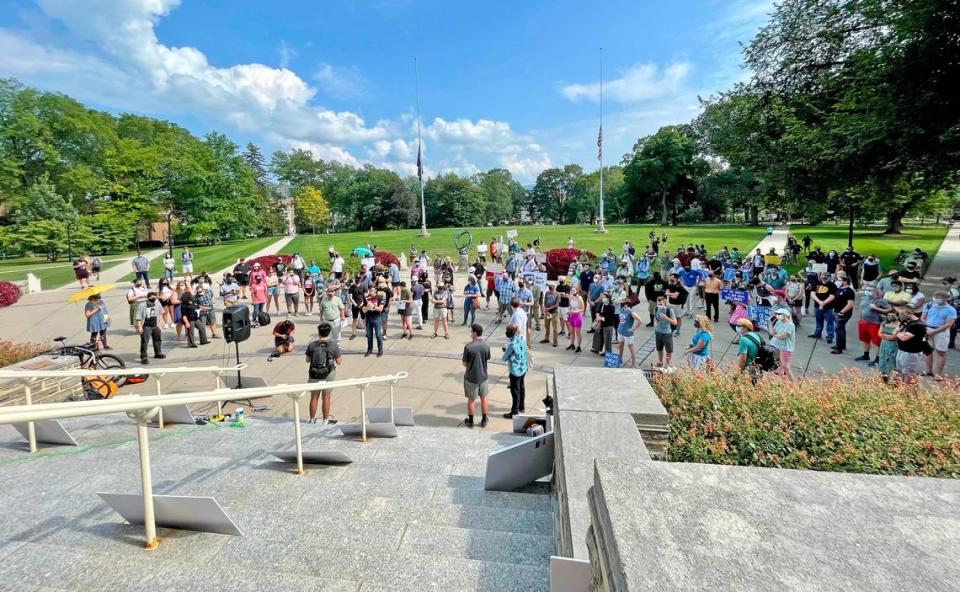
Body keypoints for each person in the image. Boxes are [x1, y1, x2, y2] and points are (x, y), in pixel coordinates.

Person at [305, 323, 343, 425]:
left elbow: (307, 360)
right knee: (326, 397)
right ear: (329, 332)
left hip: (314, 373)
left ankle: (312, 419)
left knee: (314, 397)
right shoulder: (333, 345)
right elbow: (339, 362)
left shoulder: (312, 345)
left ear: (319, 332)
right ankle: (325, 420)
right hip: (328, 373)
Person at [462, 323, 491, 428]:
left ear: (475, 333)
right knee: (484, 398)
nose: (470, 333)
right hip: (483, 377)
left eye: (471, 332)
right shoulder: (486, 345)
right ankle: (484, 419)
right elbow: (487, 358)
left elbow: (465, 363)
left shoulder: (468, 347)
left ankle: (471, 421)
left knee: (471, 400)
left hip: (471, 378)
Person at [921, 292, 957, 379]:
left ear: (946, 299)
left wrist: (934, 331)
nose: (936, 299)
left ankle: (938, 374)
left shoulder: (951, 309)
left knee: (941, 352)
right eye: (935, 297)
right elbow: (923, 318)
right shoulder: (929, 305)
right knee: (927, 351)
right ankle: (928, 371)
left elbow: (949, 324)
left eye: (939, 297)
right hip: (927, 330)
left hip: (941, 332)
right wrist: (926, 328)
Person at [856, 284, 888, 364]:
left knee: (876, 342)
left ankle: (877, 359)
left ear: (875, 291)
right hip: (863, 322)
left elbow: (890, 310)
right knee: (865, 340)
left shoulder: (881, 300)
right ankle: (866, 355)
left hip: (874, 323)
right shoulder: (864, 298)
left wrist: (876, 308)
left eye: (870, 290)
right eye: (867, 290)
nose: (867, 291)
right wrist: (860, 319)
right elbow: (861, 308)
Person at [501, 324, 528, 419]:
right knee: (521, 387)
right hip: (523, 367)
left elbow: (504, 358)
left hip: (515, 370)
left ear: (511, 332)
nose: (506, 333)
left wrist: (505, 350)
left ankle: (514, 411)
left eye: (507, 331)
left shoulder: (511, 344)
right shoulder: (521, 337)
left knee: (515, 391)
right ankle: (522, 406)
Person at [894, 312, 927, 377]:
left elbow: (903, 338)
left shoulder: (918, 325)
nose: (900, 315)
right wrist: (897, 332)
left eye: (902, 313)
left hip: (911, 352)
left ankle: (906, 386)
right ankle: (901, 386)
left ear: (910, 313)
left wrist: (896, 333)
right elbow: (896, 330)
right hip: (902, 350)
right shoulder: (906, 321)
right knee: (900, 371)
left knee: (908, 373)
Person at [135, 291, 165, 364]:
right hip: (146, 325)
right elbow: (138, 317)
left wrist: (160, 323)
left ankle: (158, 353)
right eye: (151, 298)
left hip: (155, 324)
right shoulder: (142, 305)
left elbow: (160, 314)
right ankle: (144, 357)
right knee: (145, 342)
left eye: (155, 297)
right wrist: (139, 327)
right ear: (148, 298)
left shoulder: (157, 303)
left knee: (158, 339)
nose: (153, 299)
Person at [831, 274, 855, 354]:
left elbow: (850, 304)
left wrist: (842, 312)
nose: (839, 282)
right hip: (836, 311)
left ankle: (839, 347)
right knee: (841, 329)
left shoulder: (849, 291)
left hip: (843, 313)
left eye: (841, 280)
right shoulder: (839, 289)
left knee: (838, 329)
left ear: (845, 281)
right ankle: (842, 344)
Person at [809, 271, 836, 344]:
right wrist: (820, 302)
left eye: (827, 276)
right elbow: (812, 294)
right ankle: (817, 334)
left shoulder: (832, 285)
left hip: (828, 307)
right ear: (821, 276)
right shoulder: (817, 283)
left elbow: (832, 296)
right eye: (824, 276)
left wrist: (823, 303)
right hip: (817, 306)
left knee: (829, 322)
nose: (825, 277)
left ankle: (830, 336)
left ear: (830, 277)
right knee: (818, 321)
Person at [769, 308, 796, 380]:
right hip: (777, 346)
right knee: (779, 364)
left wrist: (775, 336)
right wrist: (771, 323)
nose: (777, 315)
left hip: (785, 348)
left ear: (784, 315)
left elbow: (783, 336)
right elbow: (772, 333)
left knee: (785, 366)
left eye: (779, 314)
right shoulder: (778, 322)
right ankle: (782, 379)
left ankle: (793, 382)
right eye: (776, 314)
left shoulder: (790, 325)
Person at [653, 296, 677, 368]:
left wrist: (666, 318)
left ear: (664, 303)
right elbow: (655, 318)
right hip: (658, 332)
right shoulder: (656, 308)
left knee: (668, 351)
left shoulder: (669, 310)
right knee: (659, 349)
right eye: (658, 303)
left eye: (661, 303)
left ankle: (667, 364)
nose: (659, 305)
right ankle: (660, 362)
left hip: (667, 333)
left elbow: (675, 322)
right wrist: (655, 322)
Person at [617, 300, 642, 368]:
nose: (621, 305)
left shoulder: (630, 312)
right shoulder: (621, 310)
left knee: (631, 348)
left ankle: (634, 364)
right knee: (620, 345)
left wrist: (633, 329)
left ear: (626, 305)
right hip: (621, 331)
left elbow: (640, 321)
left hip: (628, 333)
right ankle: (620, 359)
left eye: (622, 304)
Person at [362, 284, 385, 356]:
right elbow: (363, 310)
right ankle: (369, 350)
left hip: (377, 319)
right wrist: (367, 308)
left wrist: (374, 306)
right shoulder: (366, 298)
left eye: (372, 290)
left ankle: (380, 350)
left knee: (378, 335)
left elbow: (381, 309)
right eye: (370, 290)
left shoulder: (379, 297)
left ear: (375, 290)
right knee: (369, 335)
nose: (371, 292)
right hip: (368, 319)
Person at [877, 312, 900, 380]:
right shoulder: (884, 323)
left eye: (892, 315)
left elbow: (895, 337)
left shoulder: (899, 325)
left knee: (892, 360)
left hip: (894, 345)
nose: (890, 316)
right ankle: (883, 376)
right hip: (884, 344)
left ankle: (893, 377)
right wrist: (888, 337)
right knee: (883, 359)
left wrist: (887, 336)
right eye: (889, 315)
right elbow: (879, 334)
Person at [566, 284, 585, 353]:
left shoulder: (580, 298)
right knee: (571, 332)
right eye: (571, 290)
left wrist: (575, 312)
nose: (572, 291)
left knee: (578, 333)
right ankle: (572, 344)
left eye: (573, 290)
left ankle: (579, 346)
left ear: (577, 290)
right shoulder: (570, 297)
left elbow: (582, 309)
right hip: (571, 316)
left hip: (577, 317)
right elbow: (570, 306)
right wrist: (569, 311)